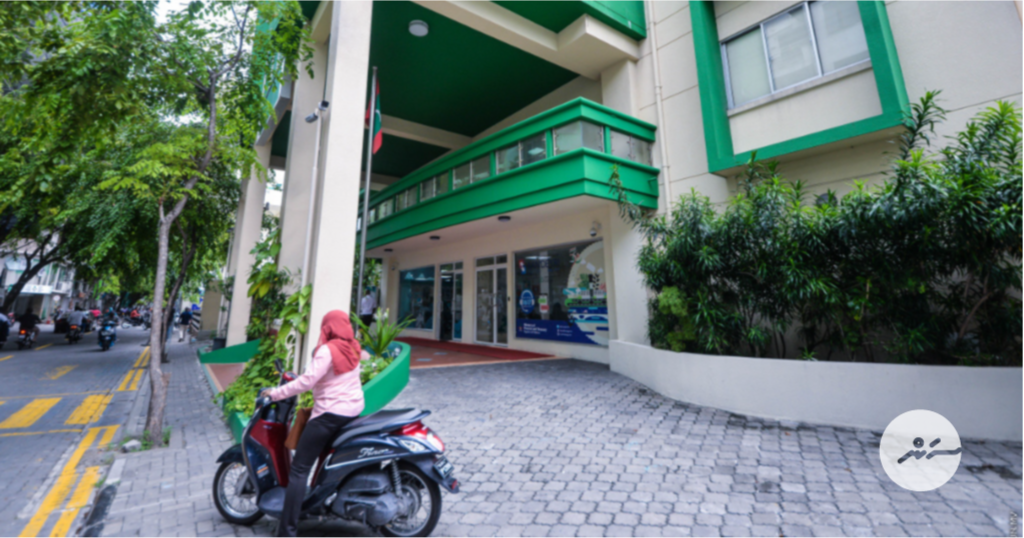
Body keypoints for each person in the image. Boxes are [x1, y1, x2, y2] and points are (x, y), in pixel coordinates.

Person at [263, 310, 367, 538]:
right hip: (352, 412)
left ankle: (287, 531)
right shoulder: (353, 347)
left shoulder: (328, 350)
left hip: (330, 414)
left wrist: (275, 393)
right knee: (322, 453)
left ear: (327, 328)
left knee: (299, 469)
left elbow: (307, 381)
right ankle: (317, 501)